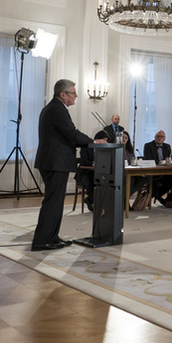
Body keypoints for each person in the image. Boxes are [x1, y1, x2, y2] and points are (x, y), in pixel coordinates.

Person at [31, 79, 105, 251]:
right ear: (63, 95)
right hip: (55, 162)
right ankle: (42, 240)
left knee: (56, 202)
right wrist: (93, 141)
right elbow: (71, 134)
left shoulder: (54, 108)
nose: (76, 95)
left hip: (54, 161)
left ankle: (52, 237)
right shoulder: (57, 109)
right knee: (53, 202)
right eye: (73, 92)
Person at [143, 130, 172, 206]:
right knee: (153, 180)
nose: (159, 138)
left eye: (161, 136)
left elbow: (168, 158)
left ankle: (153, 196)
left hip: (164, 172)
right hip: (152, 172)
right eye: (157, 136)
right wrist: (161, 162)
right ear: (154, 137)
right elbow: (148, 159)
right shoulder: (148, 146)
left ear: (164, 138)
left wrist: (166, 162)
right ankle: (161, 200)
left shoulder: (167, 146)